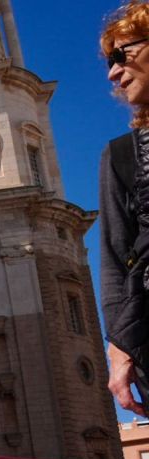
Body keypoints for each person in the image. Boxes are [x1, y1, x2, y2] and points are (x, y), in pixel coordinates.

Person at [100, 2, 149, 417]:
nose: (113, 73)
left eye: (122, 55)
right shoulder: (122, 155)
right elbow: (118, 262)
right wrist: (119, 349)